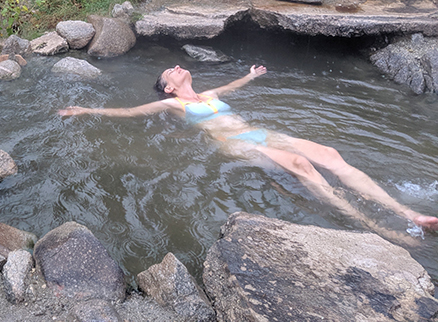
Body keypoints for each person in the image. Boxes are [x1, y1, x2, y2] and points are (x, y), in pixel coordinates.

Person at [58, 64, 438, 232]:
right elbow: (129, 112)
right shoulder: (174, 104)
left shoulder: (206, 93)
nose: (176, 67)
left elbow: (232, 88)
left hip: (259, 132)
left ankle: (405, 212)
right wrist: (84, 109)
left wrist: (251, 76)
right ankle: (373, 226)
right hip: (237, 144)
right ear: (169, 88)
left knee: (329, 154)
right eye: (169, 72)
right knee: (301, 165)